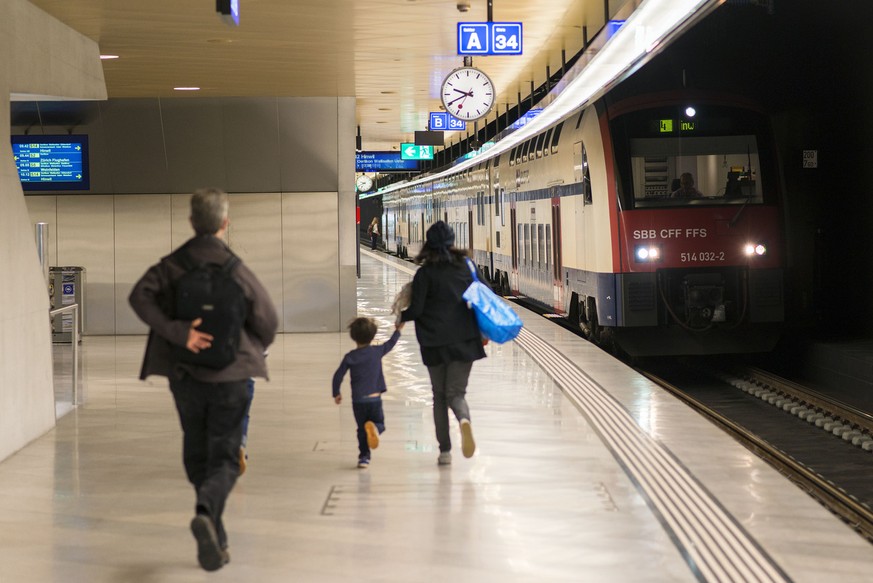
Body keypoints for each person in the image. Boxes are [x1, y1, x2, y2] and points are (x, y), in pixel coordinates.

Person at [129, 188, 278, 572]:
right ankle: (207, 512)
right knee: (225, 456)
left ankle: (213, 529)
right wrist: (243, 345)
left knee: (197, 452)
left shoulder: (171, 265)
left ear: (192, 222)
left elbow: (138, 297)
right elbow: (268, 320)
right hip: (231, 376)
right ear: (225, 224)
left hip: (186, 375)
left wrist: (179, 332)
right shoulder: (235, 268)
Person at [400, 221, 486, 465]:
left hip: (433, 342)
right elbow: (485, 296)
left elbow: (415, 310)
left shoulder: (425, 273)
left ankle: (445, 452)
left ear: (428, 243)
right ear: (452, 241)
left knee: (439, 396)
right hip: (465, 340)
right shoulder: (467, 267)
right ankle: (464, 420)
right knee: (456, 394)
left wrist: (400, 317)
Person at [332, 317, 402, 468]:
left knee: (361, 430)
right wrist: (398, 330)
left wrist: (336, 393)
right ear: (373, 335)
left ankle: (364, 457)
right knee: (380, 423)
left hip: (358, 401)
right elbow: (391, 344)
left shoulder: (350, 357)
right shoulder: (377, 351)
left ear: (353, 336)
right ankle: (376, 428)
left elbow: (338, 376)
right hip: (374, 400)